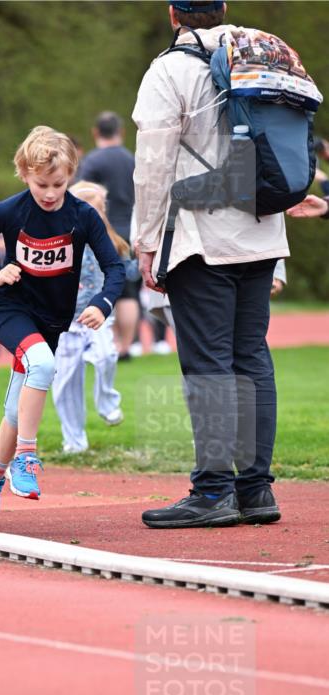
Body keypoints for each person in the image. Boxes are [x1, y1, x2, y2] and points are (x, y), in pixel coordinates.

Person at [133, 0, 289, 529]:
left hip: (202, 236)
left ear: (172, 14)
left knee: (209, 364)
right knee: (252, 358)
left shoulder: (170, 69)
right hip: (263, 228)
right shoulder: (263, 52)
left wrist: (146, 240)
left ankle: (214, 491)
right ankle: (257, 490)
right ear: (223, 8)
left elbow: (153, 164)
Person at [0, 125, 124, 527]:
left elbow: (115, 267)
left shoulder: (82, 216)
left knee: (17, 408)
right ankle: (26, 458)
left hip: (51, 319)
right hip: (11, 310)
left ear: (71, 176)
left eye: (58, 185)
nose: (49, 194)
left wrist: (102, 303)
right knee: (44, 366)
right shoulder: (10, 210)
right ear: (24, 174)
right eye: (41, 185)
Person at [52, 181, 129, 452]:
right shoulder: (58, 239)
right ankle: (74, 441)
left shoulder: (108, 240)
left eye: (98, 211)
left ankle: (107, 402)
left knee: (107, 355)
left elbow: (122, 267)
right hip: (64, 323)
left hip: (97, 317)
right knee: (66, 382)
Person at [76, 111, 140, 359]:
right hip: (129, 230)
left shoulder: (92, 161)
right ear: (121, 132)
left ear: (95, 132)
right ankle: (126, 346)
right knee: (128, 291)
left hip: (101, 231)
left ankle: (105, 342)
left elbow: (81, 196)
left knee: (100, 286)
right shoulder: (132, 159)